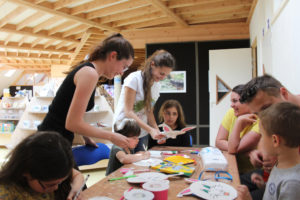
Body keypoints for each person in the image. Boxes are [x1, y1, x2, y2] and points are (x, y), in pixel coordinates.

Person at [38, 33, 134, 151]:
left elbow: (72, 112)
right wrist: (111, 136)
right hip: (51, 142)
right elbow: (72, 123)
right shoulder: (90, 73)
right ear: (113, 56)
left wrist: (86, 137)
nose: (122, 72)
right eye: (124, 66)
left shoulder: (91, 72)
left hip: (57, 139)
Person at [238, 74, 300, 200]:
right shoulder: (274, 120)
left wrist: (281, 158)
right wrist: (254, 153)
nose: (264, 117)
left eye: (266, 108)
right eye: (257, 114)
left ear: (283, 93)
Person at [114, 49, 176, 152]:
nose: (163, 77)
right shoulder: (134, 79)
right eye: (161, 73)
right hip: (124, 130)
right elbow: (128, 112)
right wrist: (150, 130)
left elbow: (149, 111)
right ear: (152, 64)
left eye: (166, 75)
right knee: (125, 164)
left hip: (141, 132)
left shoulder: (157, 86)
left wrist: (156, 130)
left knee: (140, 163)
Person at [0, 131, 85, 200]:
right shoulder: (5, 193)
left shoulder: (54, 170)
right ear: (26, 172)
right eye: (50, 185)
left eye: (60, 182)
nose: (56, 188)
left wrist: (76, 189)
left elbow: (77, 175)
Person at [215, 84, 261, 174]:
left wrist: (239, 122)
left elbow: (233, 149)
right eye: (231, 101)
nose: (231, 105)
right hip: (231, 166)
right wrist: (247, 152)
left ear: (248, 102)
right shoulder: (232, 113)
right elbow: (218, 141)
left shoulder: (259, 121)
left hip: (251, 173)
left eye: (235, 101)